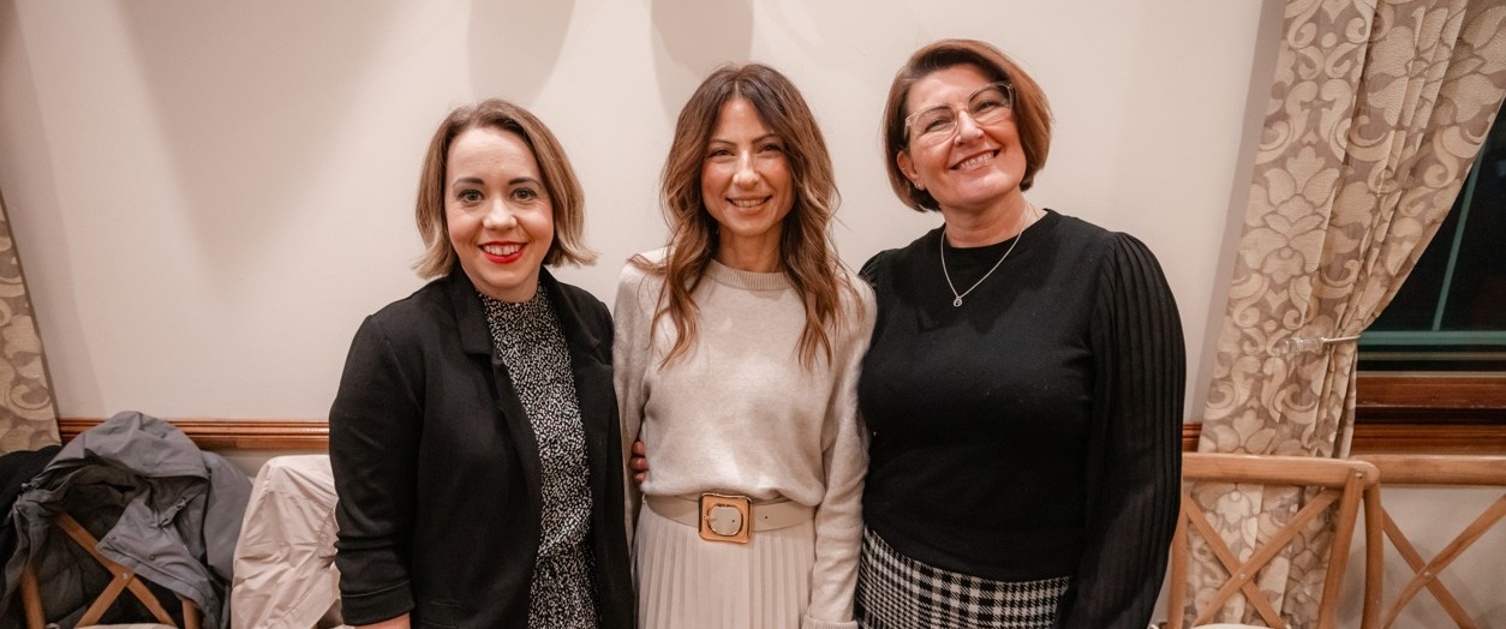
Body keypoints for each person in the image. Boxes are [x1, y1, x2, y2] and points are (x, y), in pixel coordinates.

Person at [853, 39, 1185, 628]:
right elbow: (839, 432)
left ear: (1020, 122)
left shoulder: (1110, 270)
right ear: (909, 166)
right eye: (936, 122)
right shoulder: (885, 279)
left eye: (986, 106)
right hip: (882, 590)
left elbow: (1142, 490)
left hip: (1031, 610)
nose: (968, 131)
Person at [328, 99, 634, 629]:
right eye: (471, 195)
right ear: (442, 213)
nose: (499, 218)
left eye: (522, 193)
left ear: (555, 206)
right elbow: (370, 552)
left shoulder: (591, 323)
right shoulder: (394, 344)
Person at [614, 63, 875, 629]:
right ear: (694, 167)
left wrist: (829, 620)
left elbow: (843, 485)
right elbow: (617, 453)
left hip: (786, 571)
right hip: (665, 564)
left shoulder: (845, 303)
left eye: (769, 149)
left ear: (799, 162)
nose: (746, 175)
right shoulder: (647, 287)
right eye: (721, 152)